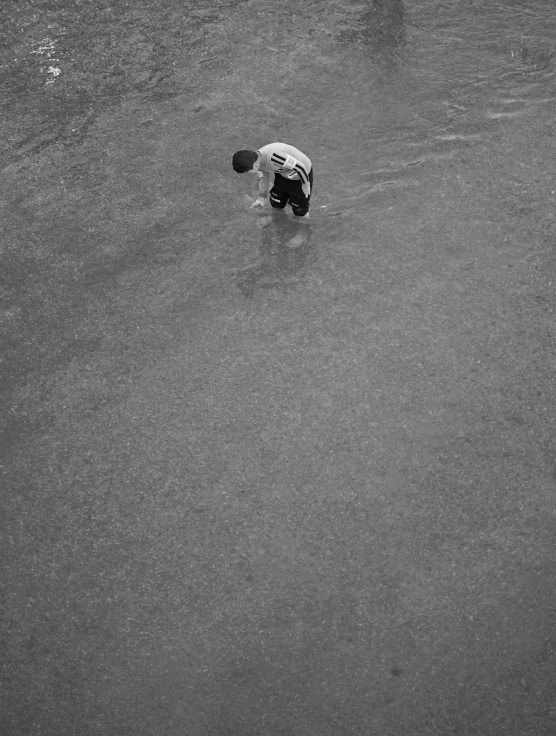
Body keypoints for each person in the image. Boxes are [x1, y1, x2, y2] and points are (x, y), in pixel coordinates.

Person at [232, 142, 313, 218]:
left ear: (255, 165)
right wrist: (261, 199)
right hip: (282, 173)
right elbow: (263, 179)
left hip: (301, 176)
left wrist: (306, 185)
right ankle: (281, 220)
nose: (251, 173)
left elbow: (300, 167)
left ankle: (305, 227)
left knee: (300, 211)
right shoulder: (256, 160)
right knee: (276, 203)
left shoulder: (275, 157)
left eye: (249, 172)